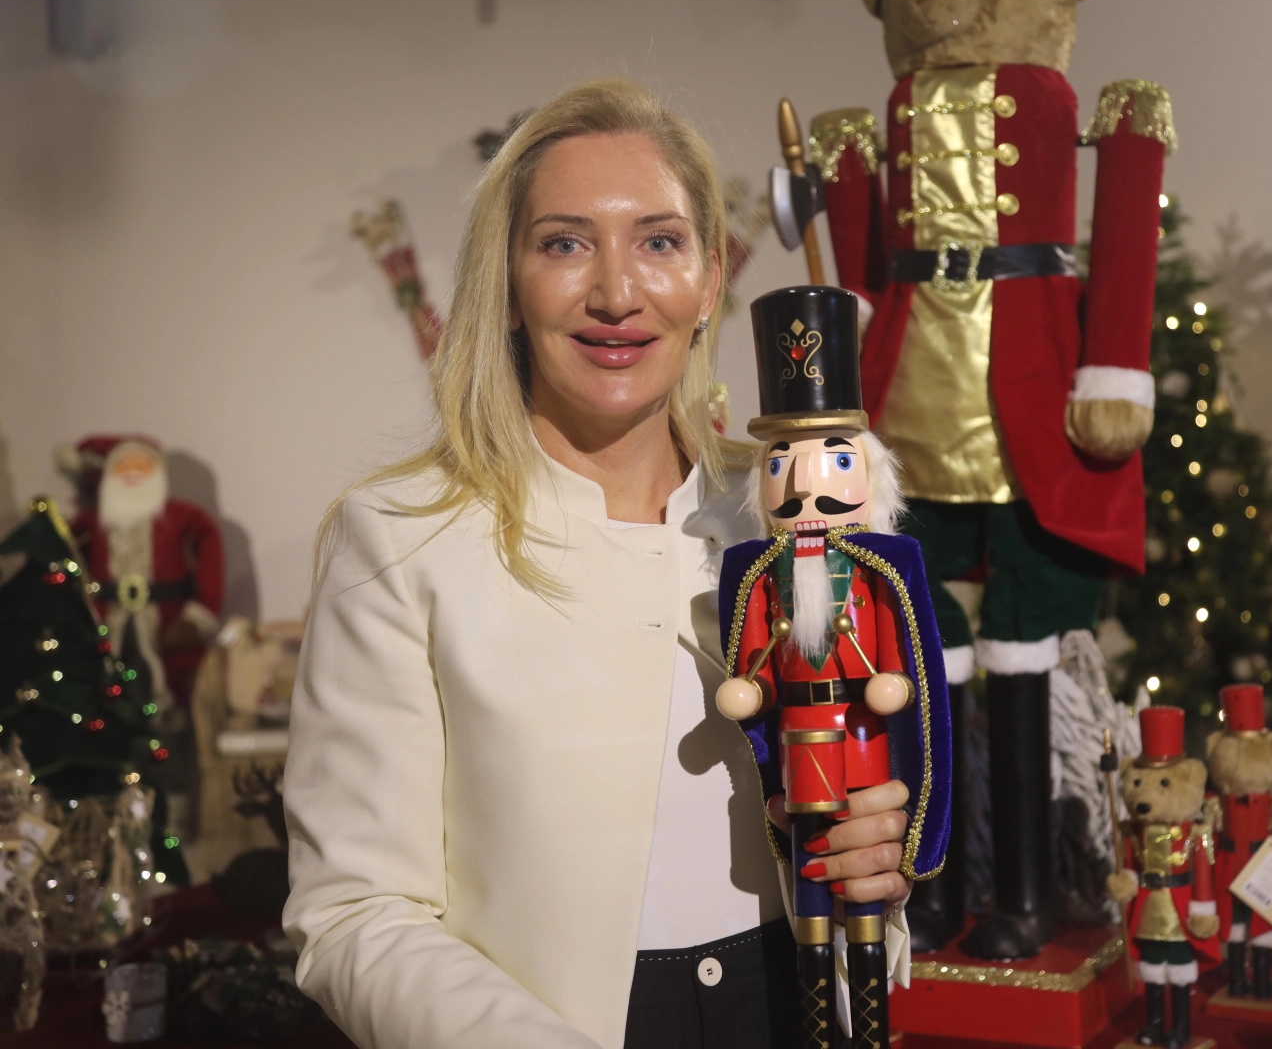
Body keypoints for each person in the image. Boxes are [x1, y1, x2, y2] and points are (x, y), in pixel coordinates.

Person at [283, 78, 915, 1049]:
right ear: (507, 283)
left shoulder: (785, 515)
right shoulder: (399, 539)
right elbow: (356, 917)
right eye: (565, 244)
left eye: (659, 242)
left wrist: (869, 859)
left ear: (709, 282)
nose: (618, 293)